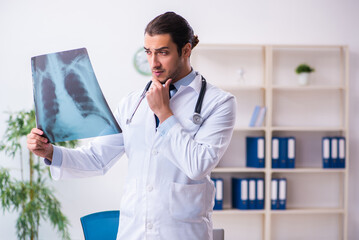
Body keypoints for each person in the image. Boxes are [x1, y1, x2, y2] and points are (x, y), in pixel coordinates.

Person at [27, 11, 236, 240]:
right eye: (149, 52)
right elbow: (97, 158)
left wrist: (164, 113)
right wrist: (50, 152)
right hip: (133, 232)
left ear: (186, 50)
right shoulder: (132, 103)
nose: (153, 63)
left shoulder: (218, 103)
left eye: (163, 53)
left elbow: (198, 164)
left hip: (182, 233)